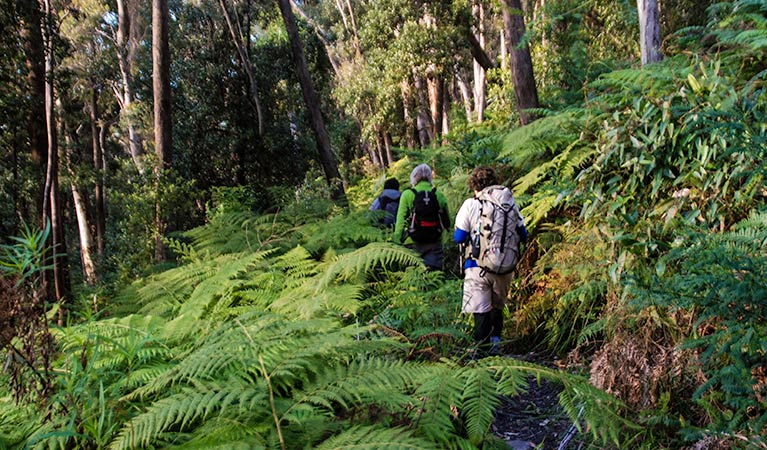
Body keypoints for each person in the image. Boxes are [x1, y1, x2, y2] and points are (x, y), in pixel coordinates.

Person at [454, 166, 528, 357]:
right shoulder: (509, 203)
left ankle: (481, 354)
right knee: (497, 308)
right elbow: (523, 234)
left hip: (476, 266)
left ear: (474, 185)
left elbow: (459, 237)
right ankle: (496, 346)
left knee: (481, 311)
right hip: (506, 266)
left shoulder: (471, 204)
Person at [394, 164, 450, 270]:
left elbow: (400, 221)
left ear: (414, 177)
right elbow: (447, 221)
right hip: (434, 241)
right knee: (434, 277)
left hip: (412, 242)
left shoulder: (407, 194)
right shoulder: (438, 194)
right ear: (430, 177)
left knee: (414, 278)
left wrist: (397, 241)